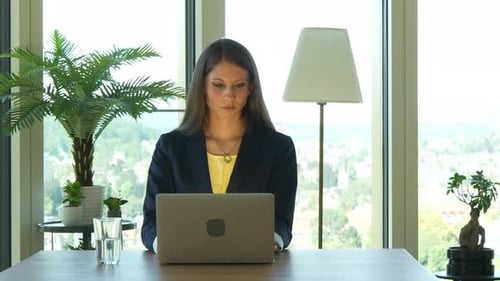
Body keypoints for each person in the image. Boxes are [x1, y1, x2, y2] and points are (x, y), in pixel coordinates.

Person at [141, 38, 298, 253]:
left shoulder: (279, 149)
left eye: (239, 86)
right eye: (218, 85)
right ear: (202, 86)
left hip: (254, 268)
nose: (229, 95)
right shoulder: (170, 147)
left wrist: (271, 241)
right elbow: (151, 224)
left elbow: (282, 222)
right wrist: (166, 245)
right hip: (184, 267)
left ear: (251, 87)